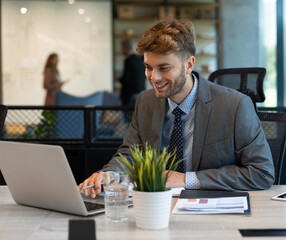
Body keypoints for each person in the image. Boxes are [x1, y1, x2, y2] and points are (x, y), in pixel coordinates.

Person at [79, 18, 275, 198]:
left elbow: (261, 173)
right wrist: (109, 174)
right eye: (148, 67)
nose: (154, 78)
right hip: (156, 207)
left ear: (189, 65)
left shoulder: (235, 105)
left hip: (211, 208)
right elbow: (130, 153)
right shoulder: (145, 101)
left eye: (164, 68)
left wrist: (186, 179)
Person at [118, 39, 145, 107]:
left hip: (129, 95)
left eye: (122, 48)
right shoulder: (140, 60)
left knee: (129, 116)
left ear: (125, 48)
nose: (122, 50)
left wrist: (118, 79)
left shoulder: (128, 60)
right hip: (141, 93)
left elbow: (126, 79)